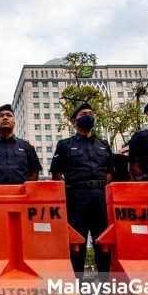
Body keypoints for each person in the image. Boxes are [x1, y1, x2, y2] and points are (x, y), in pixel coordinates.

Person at [50, 102, 114, 280]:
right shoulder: (65, 145)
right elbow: (56, 174)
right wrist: (71, 191)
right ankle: (76, 286)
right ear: (73, 122)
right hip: (76, 198)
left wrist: (98, 187)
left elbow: (110, 173)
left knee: (103, 242)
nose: (88, 115)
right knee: (77, 243)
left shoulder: (103, 144)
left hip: (100, 197)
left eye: (90, 112)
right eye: (83, 113)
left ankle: (106, 285)